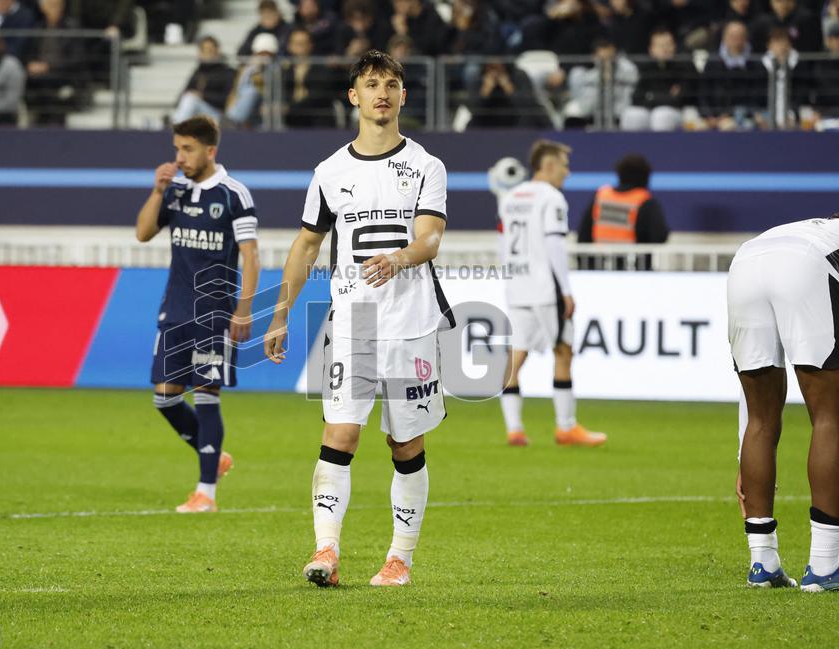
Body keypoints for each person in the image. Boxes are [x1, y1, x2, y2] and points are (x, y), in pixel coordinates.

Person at [264, 50, 454, 588]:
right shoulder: (329, 171)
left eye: (392, 84)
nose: (382, 93)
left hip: (411, 322)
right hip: (353, 322)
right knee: (340, 433)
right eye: (372, 84)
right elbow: (305, 245)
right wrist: (281, 316)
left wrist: (398, 257)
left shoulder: (425, 165)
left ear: (403, 96)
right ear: (354, 96)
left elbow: (431, 237)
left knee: (405, 445)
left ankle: (400, 559)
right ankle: (326, 551)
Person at [135, 115, 260, 514]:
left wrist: (244, 309)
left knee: (207, 396)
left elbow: (251, 255)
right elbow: (142, 233)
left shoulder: (234, 193)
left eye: (187, 149)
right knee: (165, 400)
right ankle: (215, 457)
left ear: (210, 151)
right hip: (174, 309)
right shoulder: (176, 191)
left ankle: (206, 491)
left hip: (215, 312)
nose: (179, 157)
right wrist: (157, 191)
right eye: (176, 149)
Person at [728, 213, 839, 591]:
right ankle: (825, 567)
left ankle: (762, 562)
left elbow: (752, 409)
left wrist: (745, 459)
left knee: (761, 416)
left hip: (745, 262)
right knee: (830, 417)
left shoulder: (813, 225)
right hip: (806, 264)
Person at [497, 140, 606, 448]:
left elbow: (504, 246)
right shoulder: (552, 198)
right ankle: (566, 427)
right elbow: (554, 245)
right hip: (545, 287)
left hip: (517, 286)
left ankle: (514, 428)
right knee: (563, 350)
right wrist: (567, 291)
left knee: (516, 355)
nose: (567, 172)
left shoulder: (511, 197)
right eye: (563, 165)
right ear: (547, 166)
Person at [576, 153, 669, 270]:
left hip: (599, 268)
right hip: (634, 270)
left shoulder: (601, 197)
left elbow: (583, 234)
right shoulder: (646, 202)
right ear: (646, 177)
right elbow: (660, 236)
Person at [621, 27, 698, 131]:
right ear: (651, 50)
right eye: (660, 45)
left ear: (674, 46)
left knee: (660, 116)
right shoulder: (647, 69)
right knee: (631, 115)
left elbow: (680, 99)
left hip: (680, 112)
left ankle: (660, 147)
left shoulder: (685, 66)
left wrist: (651, 96)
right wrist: (666, 96)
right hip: (650, 111)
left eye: (668, 44)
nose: (664, 49)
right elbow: (636, 98)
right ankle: (633, 148)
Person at [171, 35, 236, 123]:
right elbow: (183, 95)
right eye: (204, 50)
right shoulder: (198, 72)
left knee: (191, 100)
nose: (208, 53)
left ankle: (176, 129)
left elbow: (226, 100)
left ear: (218, 51)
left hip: (217, 114)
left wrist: (203, 95)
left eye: (211, 50)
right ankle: (175, 126)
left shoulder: (227, 72)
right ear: (200, 53)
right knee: (189, 99)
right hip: (196, 112)